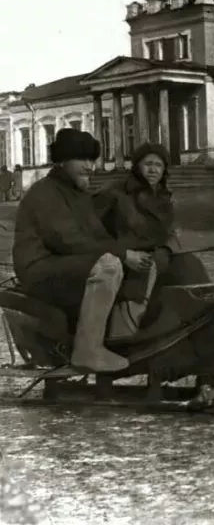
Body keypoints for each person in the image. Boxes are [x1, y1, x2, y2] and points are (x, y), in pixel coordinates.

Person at [12, 128, 152, 373]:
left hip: (67, 266)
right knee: (109, 265)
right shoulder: (44, 192)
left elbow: (98, 236)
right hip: (40, 270)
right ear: (63, 160)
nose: (90, 166)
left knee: (146, 263)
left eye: (92, 160)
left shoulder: (78, 195)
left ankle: (121, 334)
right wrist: (121, 255)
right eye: (82, 159)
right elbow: (69, 240)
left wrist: (134, 248)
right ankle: (88, 349)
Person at [92, 142, 181, 338]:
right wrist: (123, 254)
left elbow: (172, 233)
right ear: (137, 166)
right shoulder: (115, 192)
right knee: (144, 272)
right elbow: (89, 231)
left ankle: (196, 326)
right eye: (148, 164)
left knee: (190, 266)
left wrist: (166, 250)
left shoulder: (165, 197)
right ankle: (123, 337)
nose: (153, 169)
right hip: (123, 260)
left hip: (158, 257)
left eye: (159, 165)